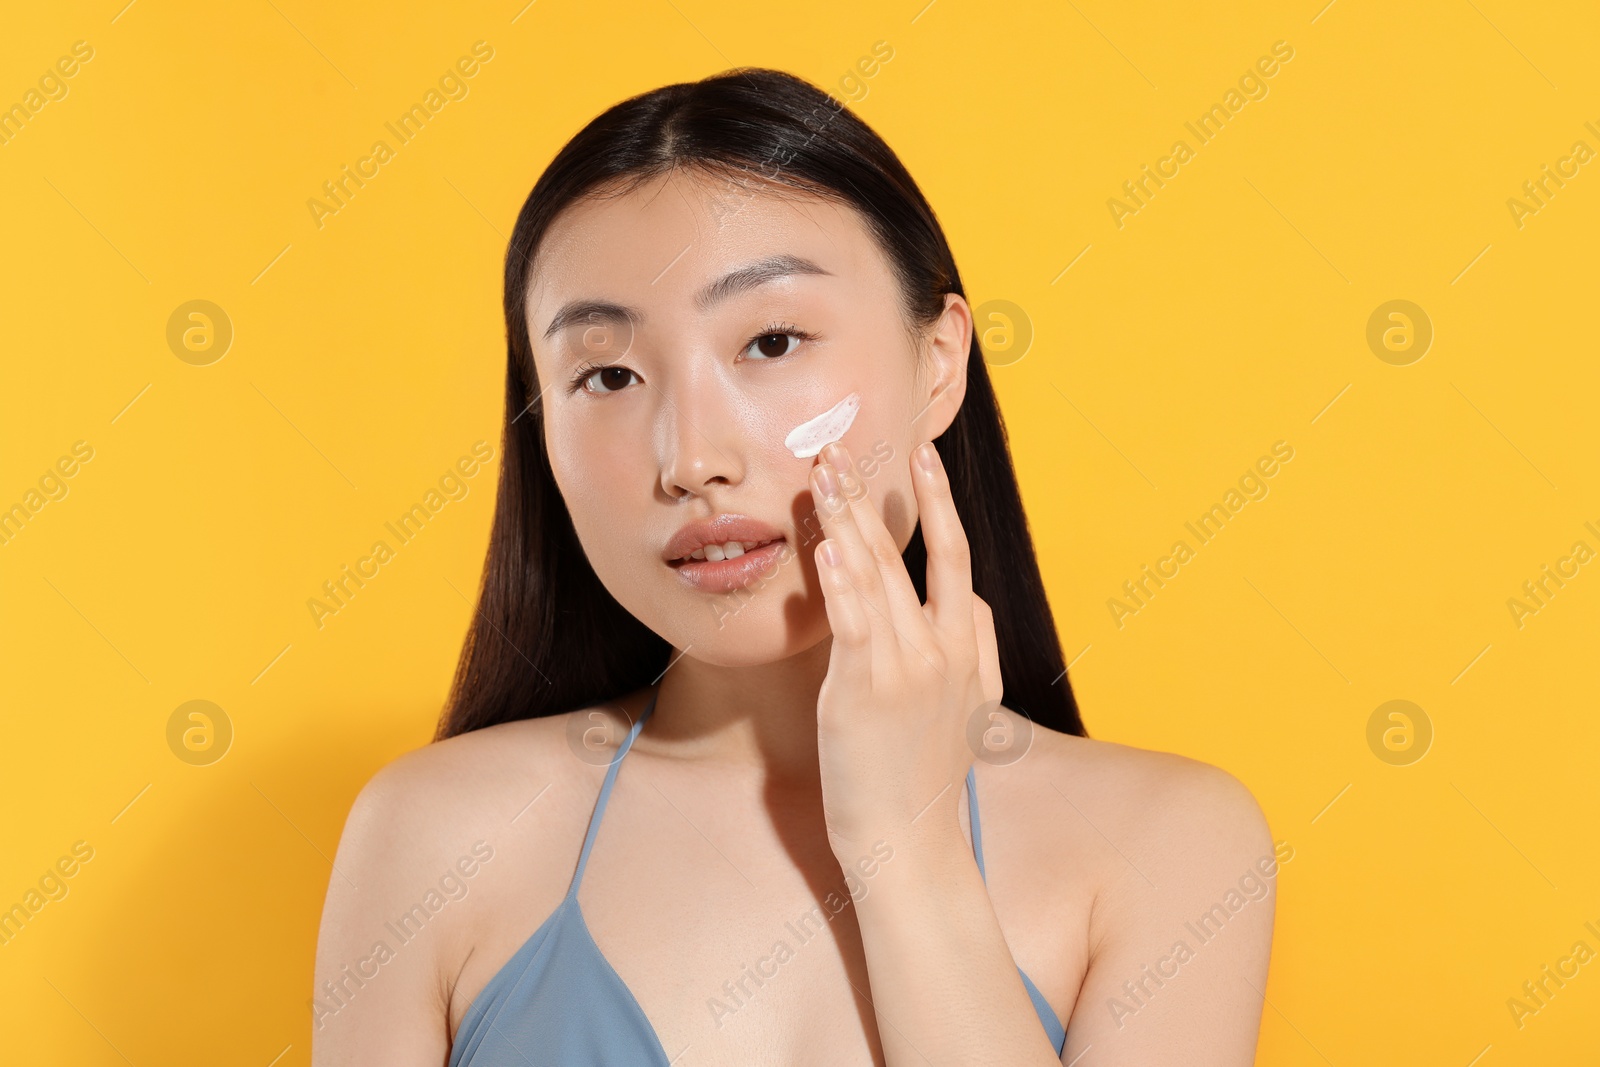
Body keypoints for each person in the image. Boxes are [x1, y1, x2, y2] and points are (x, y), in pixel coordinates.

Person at [312, 67, 1275, 1066]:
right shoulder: (431, 838)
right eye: (605, 374)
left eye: (770, 341)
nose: (691, 459)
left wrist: (908, 852)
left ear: (938, 362)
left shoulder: (1166, 847)